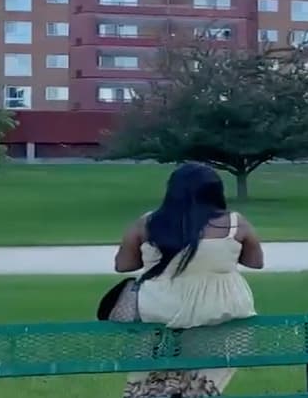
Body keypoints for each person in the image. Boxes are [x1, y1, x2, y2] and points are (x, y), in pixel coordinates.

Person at [113, 163, 265, 397]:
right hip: (218, 309)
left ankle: (154, 389)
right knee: (227, 339)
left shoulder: (148, 223)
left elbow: (123, 265)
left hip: (160, 308)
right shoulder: (235, 223)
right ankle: (197, 391)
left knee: (135, 301)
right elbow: (256, 262)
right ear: (216, 191)